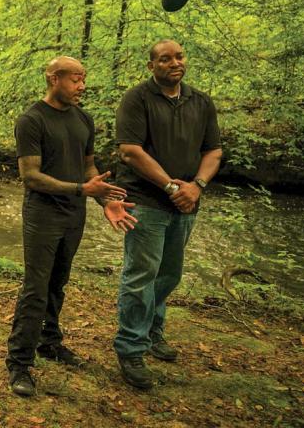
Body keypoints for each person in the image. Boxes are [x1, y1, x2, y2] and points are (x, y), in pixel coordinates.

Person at [7, 56, 138, 397]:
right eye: (75, 80)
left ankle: (49, 342)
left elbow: (88, 167)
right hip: (43, 214)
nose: (82, 86)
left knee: (58, 282)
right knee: (35, 287)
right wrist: (82, 190)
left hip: (73, 214)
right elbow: (30, 176)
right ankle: (19, 363)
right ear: (53, 79)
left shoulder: (84, 119)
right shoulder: (32, 120)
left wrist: (105, 199)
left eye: (83, 79)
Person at [113, 39, 222, 389]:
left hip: (187, 203)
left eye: (178, 56)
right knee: (141, 274)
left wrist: (197, 186)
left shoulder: (201, 101)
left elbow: (214, 150)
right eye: (164, 59)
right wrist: (172, 188)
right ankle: (131, 347)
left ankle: (152, 330)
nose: (174, 63)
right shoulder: (137, 99)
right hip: (146, 201)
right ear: (152, 66)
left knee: (169, 274)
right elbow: (130, 152)